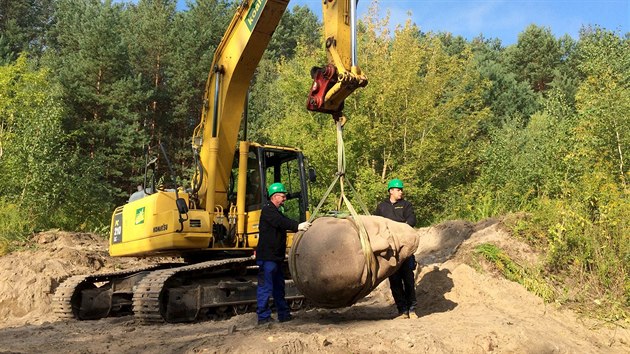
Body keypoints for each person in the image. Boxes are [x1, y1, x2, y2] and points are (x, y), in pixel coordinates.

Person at [256, 182, 311, 325]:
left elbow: (284, 220)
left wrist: (298, 225)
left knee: (279, 288)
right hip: (268, 258)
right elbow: (280, 222)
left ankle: (283, 314)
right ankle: (263, 317)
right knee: (265, 288)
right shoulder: (268, 211)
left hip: (276, 258)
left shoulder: (276, 212)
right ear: (274, 197)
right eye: (282, 196)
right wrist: (297, 226)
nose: (285, 198)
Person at [374, 178, 418, 319]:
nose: (401, 192)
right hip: (389, 250)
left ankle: (412, 309)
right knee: (395, 280)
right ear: (391, 191)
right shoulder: (382, 207)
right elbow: (375, 224)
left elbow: (411, 220)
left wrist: (399, 229)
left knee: (409, 280)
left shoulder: (406, 205)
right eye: (398, 190)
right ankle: (402, 310)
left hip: (404, 248)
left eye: (401, 190)